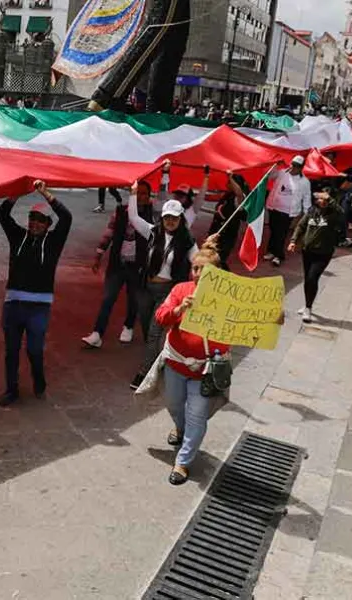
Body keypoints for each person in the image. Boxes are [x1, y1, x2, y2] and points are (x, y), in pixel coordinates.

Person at [146, 239, 251, 485]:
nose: (198, 274)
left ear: (217, 273)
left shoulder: (229, 298)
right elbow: (161, 316)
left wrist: (273, 317)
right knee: (174, 405)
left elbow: (251, 321)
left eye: (205, 270)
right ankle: (180, 429)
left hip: (207, 370)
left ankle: (182, 462)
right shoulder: (180, 290)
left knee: (197, 415)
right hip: (176, 363)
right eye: (195, 269)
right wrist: (178, 310)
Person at [0, 180, 72, 406]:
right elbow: (2, 213)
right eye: (32, 218)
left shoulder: (53, 243)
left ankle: (39, 381)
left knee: (34, 350)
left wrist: (45, 193)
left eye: (40, 220)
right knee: (11, 351)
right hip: (13, 304)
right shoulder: (18, 236)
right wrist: (16, 194)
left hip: (39, 307)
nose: (35, 223)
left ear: (48, 224)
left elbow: (66, 218)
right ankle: (11, 389)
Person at [127, 174, 199, 391]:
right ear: (163, 217)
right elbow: (133, 216)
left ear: (180, 219)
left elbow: (199, 264)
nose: (170, 221)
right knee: (147, 327)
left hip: (167, 292)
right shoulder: (152, 232)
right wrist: (132, 193)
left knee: (154, 332)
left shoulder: (187, 242)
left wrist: (210, 252)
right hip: (146, 288)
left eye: (175, 218)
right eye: (167, 217)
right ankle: (161, 360)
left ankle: (145, 372)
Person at [81, 184, 152, 348]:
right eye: (137, 193)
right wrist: (99, 255)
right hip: (117, 264)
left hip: (138, 265)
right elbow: (109, 232)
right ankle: (97, 334)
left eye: (144, 194)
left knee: (133, 298)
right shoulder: (121, 211)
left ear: (149, 196)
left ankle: (128, 326)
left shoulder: (153, 213)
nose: (140, 197)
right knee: (107, 298)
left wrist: (165, 173)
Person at [288, 187, 344, 322]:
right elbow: (301, 226)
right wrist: (293, 241)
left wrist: (328, 198)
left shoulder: (333, 214)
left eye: (325, 199)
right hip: (307, 251)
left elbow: (340, 211)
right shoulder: (312, 211)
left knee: (313, 278)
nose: (322, 201)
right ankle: (308, 304)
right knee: (307, 279)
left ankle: (308, 308)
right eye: (320, 198)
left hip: (323, 252)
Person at [263, 155, 311, 267]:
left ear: (301, 168)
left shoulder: (304, 182)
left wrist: (307, 212)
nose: (294, 168)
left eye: (297, 166)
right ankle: (271, 251)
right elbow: (269, 176)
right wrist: (275, 165)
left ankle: (279, 256)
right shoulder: (281, 173)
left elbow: (307, 197)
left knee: (282, 232)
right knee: (273, 229)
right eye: (293, 165)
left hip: (288, 211)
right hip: (274, 207)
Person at [207, 172, 249, 271]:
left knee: (219, 259)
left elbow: (239, 194)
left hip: (227, 235)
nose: (227, 184)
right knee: (210, 256)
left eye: (230, 182)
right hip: (216, 230)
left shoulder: (239, 200)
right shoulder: (226, 195)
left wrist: (230, 178)